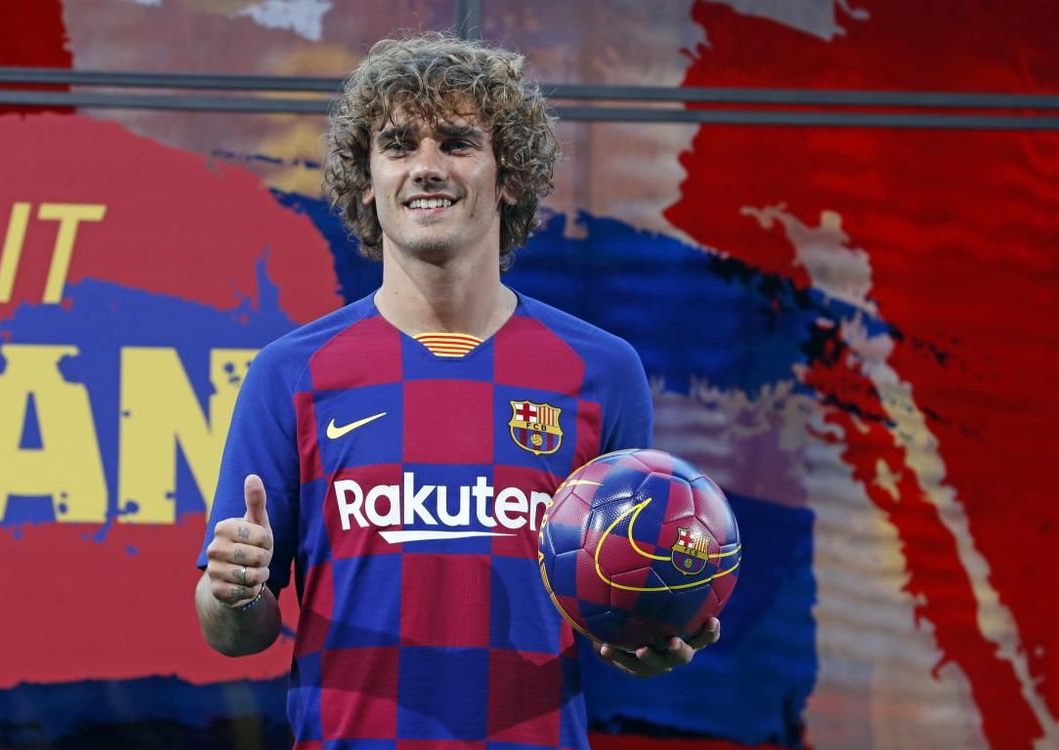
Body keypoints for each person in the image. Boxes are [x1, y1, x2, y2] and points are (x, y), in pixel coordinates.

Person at [195, 31, 720, 747]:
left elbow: (620, 608)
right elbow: (235, 633)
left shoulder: (602, 372)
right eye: (398, 145)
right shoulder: (289, 373)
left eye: (456, 143)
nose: (426, 167)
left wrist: (647, 634)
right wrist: (234, 593)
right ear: (367, 180)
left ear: (509, 177)